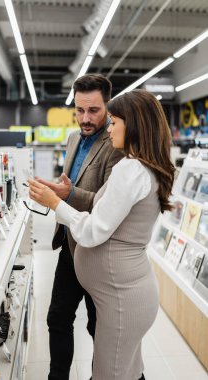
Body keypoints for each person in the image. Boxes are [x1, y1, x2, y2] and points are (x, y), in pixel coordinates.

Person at [28, 89, 175, 380]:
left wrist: (54, 203)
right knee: (126, 371)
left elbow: (94, 231)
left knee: (110, 372)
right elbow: (106, 206)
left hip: (121, 299)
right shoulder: (142, 166)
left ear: (132, 125)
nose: (109, 127)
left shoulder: (130, 169)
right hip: (128, 294)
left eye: (114, 121)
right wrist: (69, 194)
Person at [35, 74, 123, 380]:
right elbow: (70, 183)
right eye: (79, 109)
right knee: (57, 318)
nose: (85, 118)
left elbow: (108, 202)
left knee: (98, 326)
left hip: (98, 251)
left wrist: (67, 194)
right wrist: (59, 188)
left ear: (108, 106)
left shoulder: (116, 143)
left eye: (94, 111)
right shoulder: (73, 138)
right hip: (69, 246)